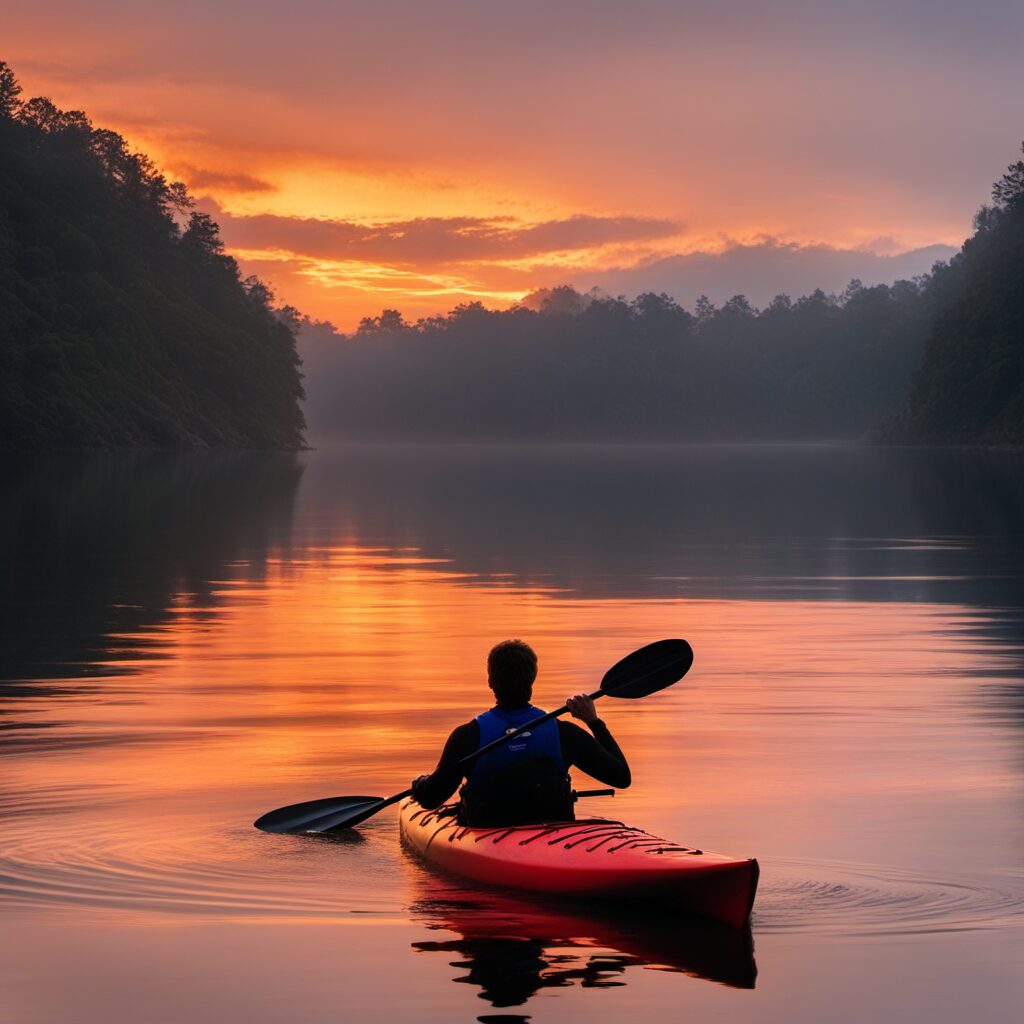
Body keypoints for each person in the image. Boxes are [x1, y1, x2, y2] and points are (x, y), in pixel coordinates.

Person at [411, 639, 631, 827]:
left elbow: (431, 800)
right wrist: (593, 721)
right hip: (551, 826)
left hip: (487, 828)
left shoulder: (468, 736)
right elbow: (620, 777)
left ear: (490, 681)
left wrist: (420, 786)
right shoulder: (564, 733)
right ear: (533, 679)